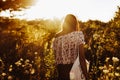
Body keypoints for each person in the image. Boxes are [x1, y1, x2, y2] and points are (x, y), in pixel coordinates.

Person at [52, 14, 88, 80]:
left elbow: (55, 57)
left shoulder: (56, 37)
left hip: (61, 72)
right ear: (75, 23)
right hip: (74, 71)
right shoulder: (78, 35)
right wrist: (86, 76)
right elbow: (82, 57)